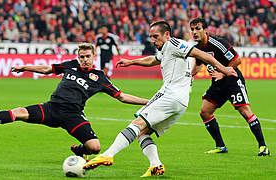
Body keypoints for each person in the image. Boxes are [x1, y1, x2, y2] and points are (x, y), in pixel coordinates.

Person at [83, 21, 237, 177]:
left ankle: (108, 154)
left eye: (155, 36)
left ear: (167, 35)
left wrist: (224, 69)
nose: (153, 40)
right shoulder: (167, 48)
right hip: (180, 101)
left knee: (137, 123)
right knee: (143, 133)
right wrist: (132, 62)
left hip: (170, 95)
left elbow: (201, 55)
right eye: (151, 37)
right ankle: (156, 165)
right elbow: (153, 60)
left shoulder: (174, 43)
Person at [0, 43, 149, 160]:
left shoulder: (100, 77)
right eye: (81, 56)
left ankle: (80, 150)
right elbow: (46, 69)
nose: (84, 60)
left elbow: (122, 96)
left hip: (73, 115)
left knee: (95, 147)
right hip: (52, 108)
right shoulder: (71, 65)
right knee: (19, 112)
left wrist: (148, 102)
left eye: (87, 56)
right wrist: (25, 67)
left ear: (94, 56)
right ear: (79, 57)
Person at [189, 18, 270, 156]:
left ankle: (263, 147)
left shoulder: (218, 43)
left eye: (198, 28)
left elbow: (237, 59)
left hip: (232, 81)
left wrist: (222, 72)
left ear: (206, 30)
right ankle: (220, 146)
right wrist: (189, 77)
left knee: (245, 112)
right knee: (205, 112)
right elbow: (198, 65)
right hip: (217, 84)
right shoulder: (197, 48)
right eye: (192, 29)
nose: (194, 32)